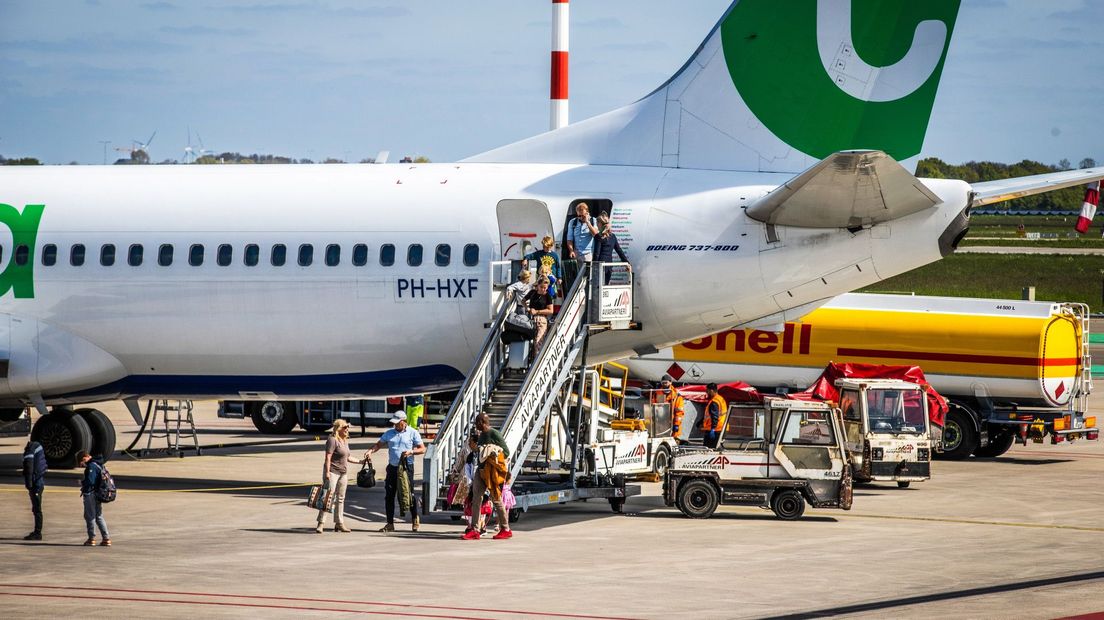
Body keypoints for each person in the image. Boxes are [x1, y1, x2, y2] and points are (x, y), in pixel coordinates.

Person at [367, 412, 425, 532]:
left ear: (404, 422)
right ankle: (390, 523)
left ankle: (415, 519)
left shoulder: (412, 432)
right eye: (394, 423)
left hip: (406, 467)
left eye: (397, 423)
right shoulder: (389, 433)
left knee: (409, 493)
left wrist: (411, 452)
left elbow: (422, 448)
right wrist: (370, 451)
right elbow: (379, 444)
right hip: (393, 467)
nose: (395, 425)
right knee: (389, 495)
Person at [464, 413, 512, 540]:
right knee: (476, 498)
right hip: (481, 471)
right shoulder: (482, 436)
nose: (475, 425)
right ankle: (474, 529)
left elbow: (506, 452)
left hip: (491, 472)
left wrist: (491, 451)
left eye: (476, 423)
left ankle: (505, 529)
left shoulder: (494, 434)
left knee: (496, 499)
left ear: (481, 422)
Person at [315, 419, 367, 534]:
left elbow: (348, 457)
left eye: (347, 427)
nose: (347, 429)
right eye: (345, 427)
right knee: (328, 497)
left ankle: (339, 523)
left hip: (343, 473)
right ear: (338, 428)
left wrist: (361, 461)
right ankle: (321, 523)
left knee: (340, 498)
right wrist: (327, 473)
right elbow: (328, 457)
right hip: (333, 472)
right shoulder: (332, 440)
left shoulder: (344, 440)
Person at [78, 450, 110, 546]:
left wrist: (82, 483)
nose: (82, 465)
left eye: (81, 463)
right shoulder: (99, 464)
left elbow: (90, 481)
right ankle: (106, 538)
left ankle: (91, 538)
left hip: (90, 494)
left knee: (90, 516)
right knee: (99, 516)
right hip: (98, 494)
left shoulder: (91, 466)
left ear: (84, 458)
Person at [564, 202, 598, 290]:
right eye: (579, 216)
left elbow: (596, 234)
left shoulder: (593, 220)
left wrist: (587, 222)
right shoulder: (573, 222)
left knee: (587, 277)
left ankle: (587, 295)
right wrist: (571, 250)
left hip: (588, 253)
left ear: (587, 212)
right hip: (577, 253)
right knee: (578, 277)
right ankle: (579, 295)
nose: (580, 218)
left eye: (582, 215)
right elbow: (569, 238)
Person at [592, 212, 631, 284]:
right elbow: (619, 251)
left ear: (600, 223)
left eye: (597, 222)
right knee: (605, 286)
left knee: (597, 288)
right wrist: (627, 263)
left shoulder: (598, 236)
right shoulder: (613, 236)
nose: (596, 224)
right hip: (609, 266)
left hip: (600, 265)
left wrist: (593, 266)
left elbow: (597, 253)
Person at [22, 440, 47, 541]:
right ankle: (37, 532)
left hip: (35, 483)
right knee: (36, 509)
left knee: (37, 509)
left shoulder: (30, 449)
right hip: (39, 482)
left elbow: (29, 466)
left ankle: (37, 533)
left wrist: (29, 483)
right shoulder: (38, 447)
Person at [523, 277, 555, 352]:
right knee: (533, 342)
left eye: (545, 288)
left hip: (542, 319)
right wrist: (527, 308)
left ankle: (538, 361)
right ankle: (534, 360)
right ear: (538, 285)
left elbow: (551, 311)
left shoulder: (548, 296)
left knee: (539, 341)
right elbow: (523, 300)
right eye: (541, 287)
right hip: (531, 319)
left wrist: (537, 311)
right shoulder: (532, 292)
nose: (543, 289)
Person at [657, 375, 686, 443]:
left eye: (666, 382)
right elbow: (655, 407)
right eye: (663, 382)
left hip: (673, 424)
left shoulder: (676, 396)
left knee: (674, 443)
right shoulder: (658, 393)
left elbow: (679, 413)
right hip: (660, 424)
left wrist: (676, 425)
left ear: (670, 383)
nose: (664, 384)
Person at [701, 383, 728, 449]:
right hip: (722, 427)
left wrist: (713, 429)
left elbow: (714, 416)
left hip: (715, 429)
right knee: (717, 447)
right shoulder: (720, 399)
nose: (707, 393)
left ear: (712, 391)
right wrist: (700, 421)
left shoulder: (714, 402)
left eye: (707, 391)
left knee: (709, 449)